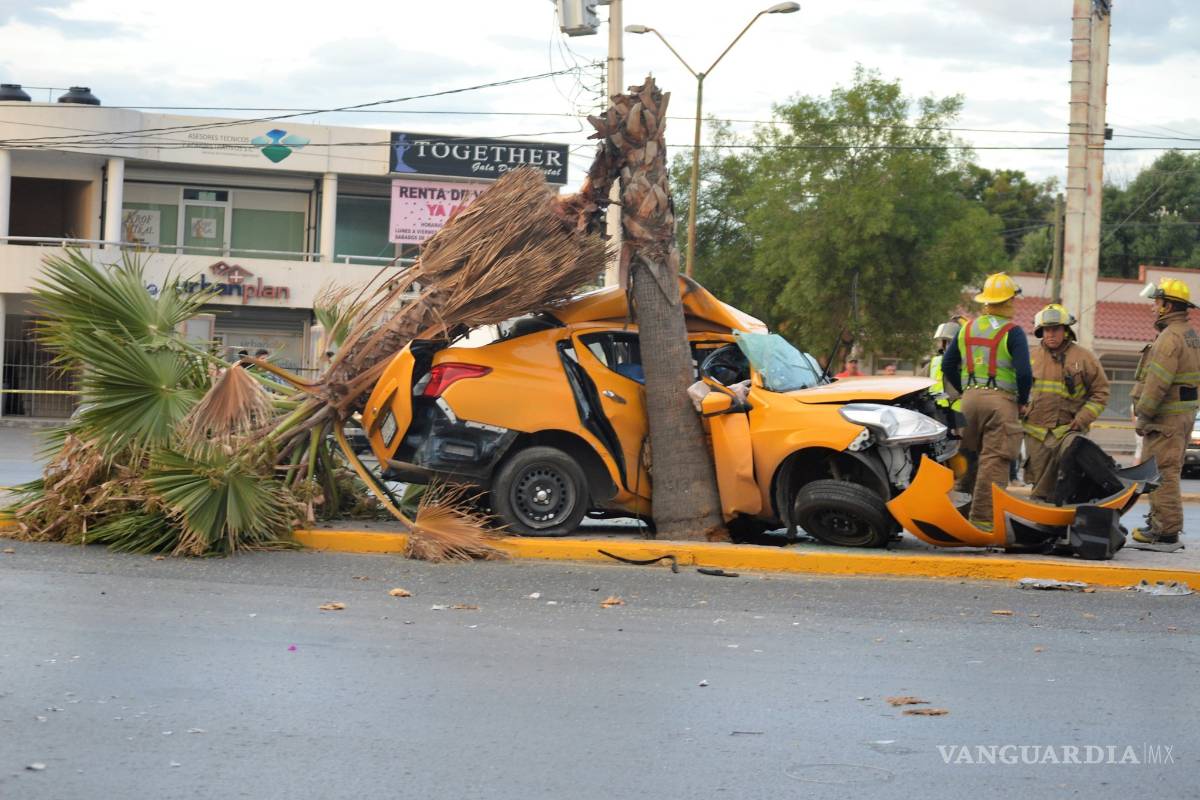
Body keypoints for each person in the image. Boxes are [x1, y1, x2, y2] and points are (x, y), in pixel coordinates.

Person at [942, 272, 1033, 530]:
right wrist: (1022, 401)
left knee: (967, 460)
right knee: (994, 462)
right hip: (1001, 404)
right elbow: (1024, 372)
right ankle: (983, 522)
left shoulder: (967, 328)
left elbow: (948, 364)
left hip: (968, 402)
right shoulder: (1012, 332)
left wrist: (966, 391)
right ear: (1008, 301)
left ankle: (959, 518)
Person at [1128, 277, 1200, 552]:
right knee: (1167, 472)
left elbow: (1157, 383)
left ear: (1167, 305)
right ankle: (1161, 525)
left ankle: (1165, 532)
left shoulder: (1169, 338)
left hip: (1164, 420)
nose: (1153, 307)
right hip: (1180, 418)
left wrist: (1144, 416)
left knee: (1160, 474)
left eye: (1156, 302)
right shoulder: (1190, 334)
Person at [1021, 303, 1109, 501]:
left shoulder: (1084, 358)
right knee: (1038, 476)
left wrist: (1083, 418)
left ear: (1066, 330)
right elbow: (1019, 388)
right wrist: (1021, 406)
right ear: (1040, 331)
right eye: (1046, 330)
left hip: (1069, 430)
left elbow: (1101, 393)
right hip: (1036, 432)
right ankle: (1040, 516)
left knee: (1064, 477)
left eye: (1055, 329)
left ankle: (1054, 514)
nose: (1050, 334)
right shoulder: (1030, 357)